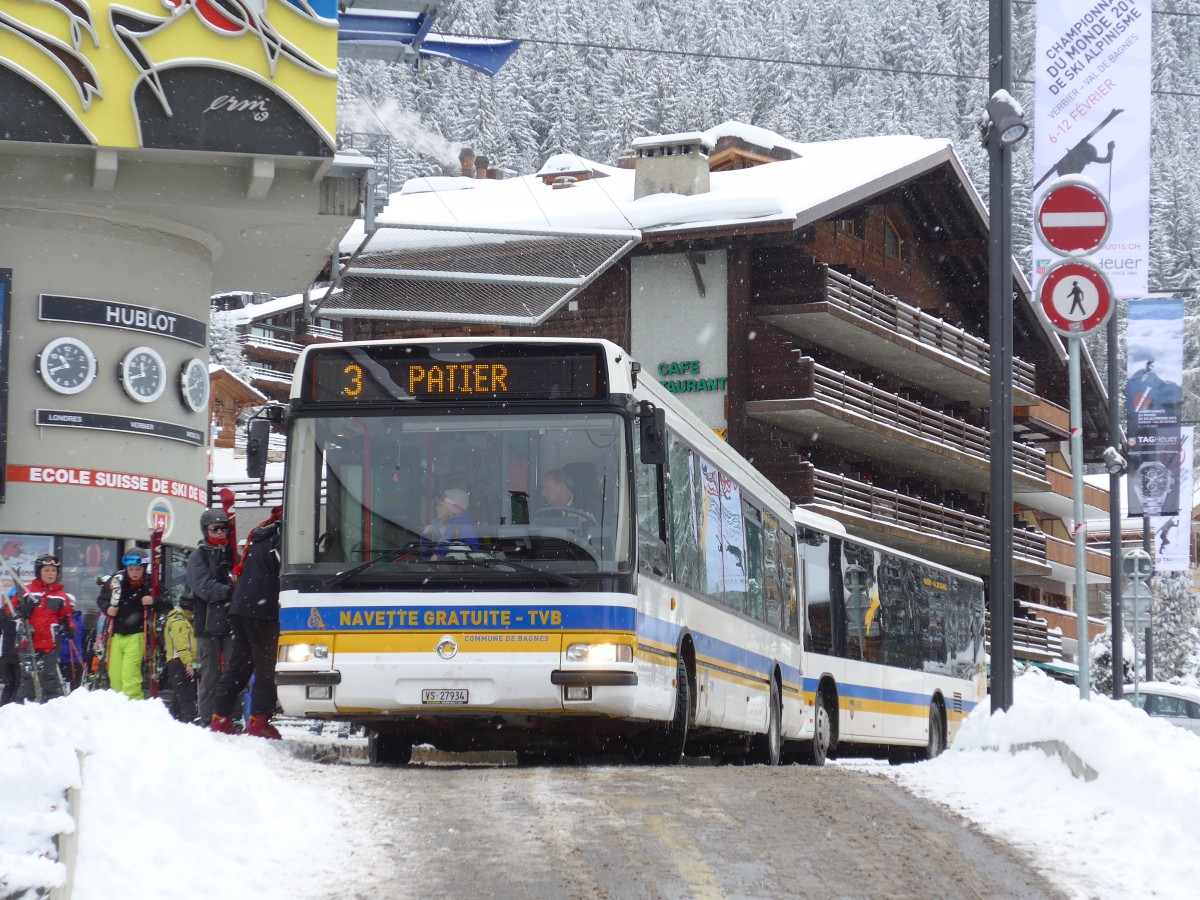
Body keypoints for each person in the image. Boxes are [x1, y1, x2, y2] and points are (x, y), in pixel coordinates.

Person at [210, 509, 283, 739]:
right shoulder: (283, 536)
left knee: (239, 664)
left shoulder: (259, 534)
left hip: (240, 605)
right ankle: (259, 720)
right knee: (266, 665)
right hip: (262, 608)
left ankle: (220, 716)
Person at [96, 551, 169, 700]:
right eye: (131, 569)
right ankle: (119, 706)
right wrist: (107, 608)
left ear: (144, 568)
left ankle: (134, 704)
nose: (134, 573)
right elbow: (102, 599)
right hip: (116, 635)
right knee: (115, 676)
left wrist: (153, 600)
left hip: (137, 635)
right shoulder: (117, 580)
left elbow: (168, 602)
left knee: (130, 676)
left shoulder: (150, 583)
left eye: (138, 569)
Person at [186, 508, 236, 724]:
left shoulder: (233, 554)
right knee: (210, 674)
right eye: (214, 529)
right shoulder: (199, 556)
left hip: (232, 622)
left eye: (223, 528)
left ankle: (233, 716)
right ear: (205, 531)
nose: (220, 532)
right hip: (207, 624)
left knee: (235, 673)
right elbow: (203, 587)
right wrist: (230, 591)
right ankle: (208, 717)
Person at [19, 555, 76, 702]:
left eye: (54, 570)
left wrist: (69, 627)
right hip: (29, 642)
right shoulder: (27, 591)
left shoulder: (61, 596)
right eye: (47, 570)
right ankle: (26, 709)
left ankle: (51, 708)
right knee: (29, 680)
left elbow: (67, 616)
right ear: (39, 572)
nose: (51, 573)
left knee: (50, 679)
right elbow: (10, 611)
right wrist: (23, 609)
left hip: (50, 645)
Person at [163, 597, 198, 723]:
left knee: (180, 697)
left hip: (179, 662)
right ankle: (190, 721)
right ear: (188, 609)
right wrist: (188, 664)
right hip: (180, 662)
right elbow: (181, 645)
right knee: (186, 696)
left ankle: (173, 721)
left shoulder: (181, 619)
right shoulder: (179, 620)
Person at [1, 575, 34, 705]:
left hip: (5, 653)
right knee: (19, 684)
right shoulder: (21, 612)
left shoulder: (3, 611)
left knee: (9, 684)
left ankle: (4, 708)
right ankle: (15, 708)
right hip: (18, 650)